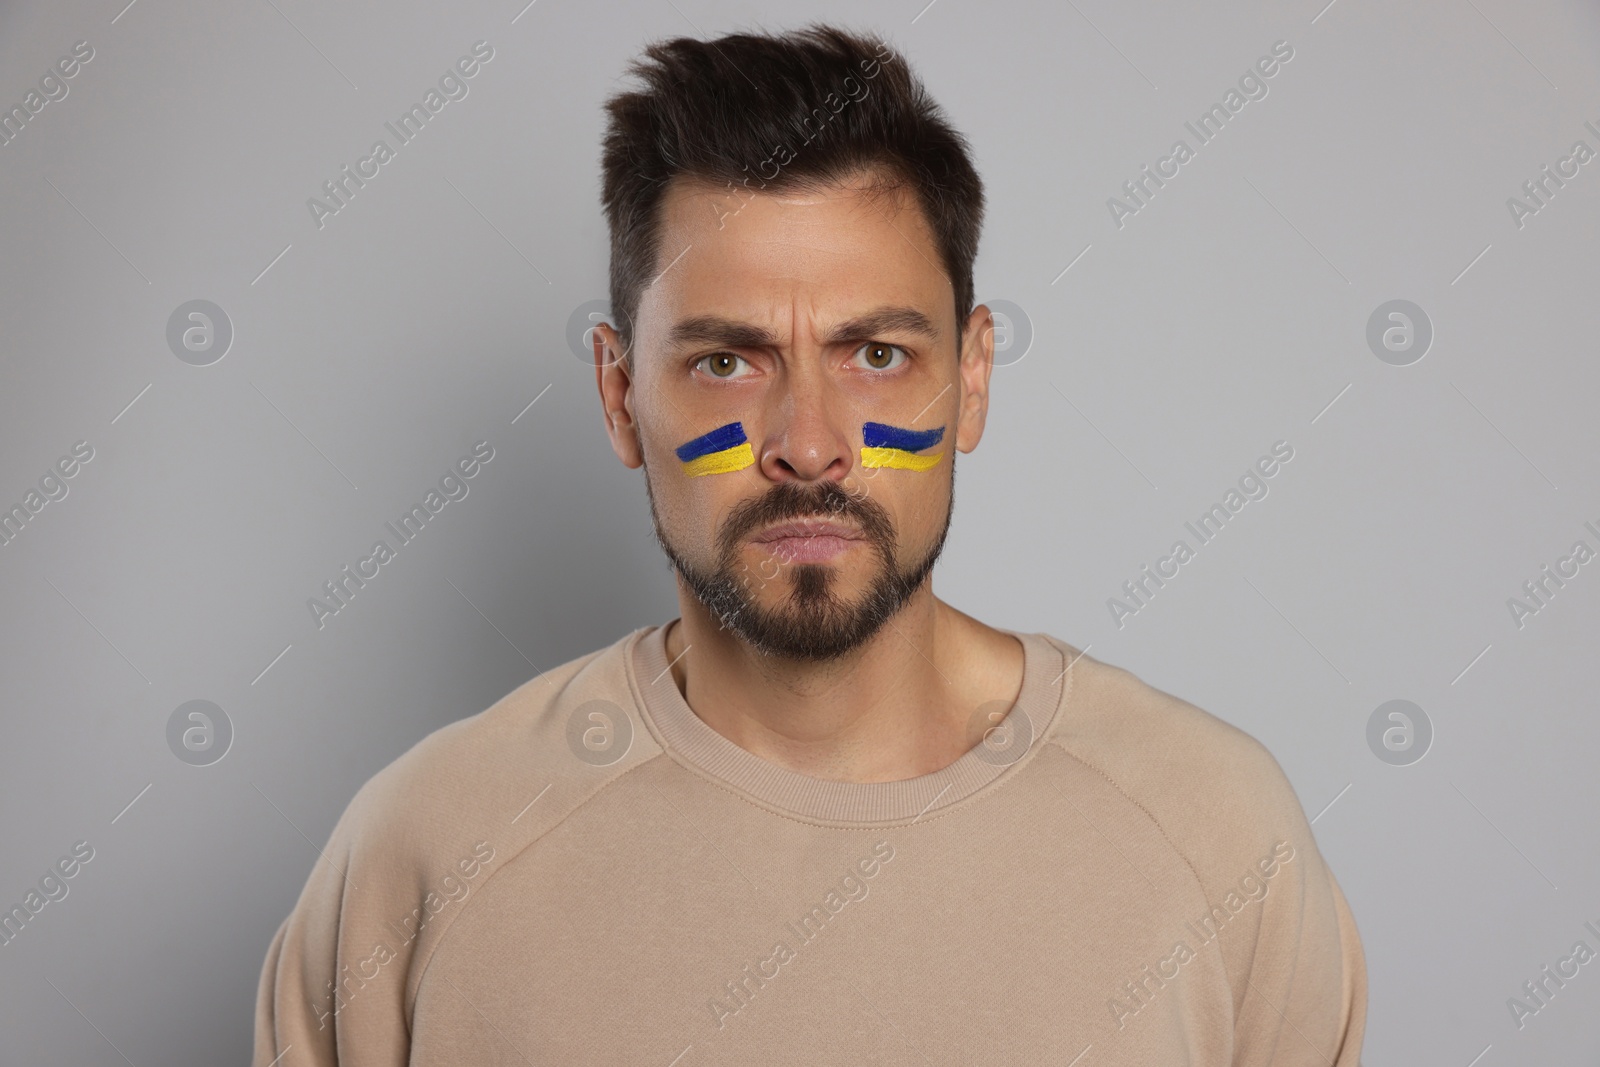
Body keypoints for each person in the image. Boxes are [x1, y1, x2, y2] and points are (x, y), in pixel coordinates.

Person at [253, 23, 1366, 1065]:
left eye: (875, 353)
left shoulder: (1216, 838)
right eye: (726, 361)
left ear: (970, 379)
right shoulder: (423, 855)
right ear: (618, 394)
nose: (810, 444)